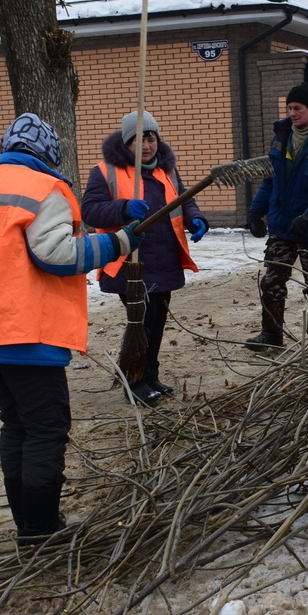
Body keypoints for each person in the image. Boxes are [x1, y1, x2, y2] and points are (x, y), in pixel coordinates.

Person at [0, 112, 143, 542]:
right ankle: (41, 530)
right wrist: (119, 241)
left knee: (16, 424)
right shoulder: (45, 188)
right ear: (49, 154)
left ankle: (27, 523)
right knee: (45, 429)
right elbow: (55, 254)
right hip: (25, 334)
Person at [81, 111, 208, 404]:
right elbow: (90, 210)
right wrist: (123, 208)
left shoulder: (167, 170)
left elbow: (183, 200)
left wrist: (196, 218)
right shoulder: (105, 171)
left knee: (158, 317)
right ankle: (135, 379)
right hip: (129, 262)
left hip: (164, 258)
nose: (146, 145)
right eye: (138, 139)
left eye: (150, 138)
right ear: (126, 143)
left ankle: (151, 375)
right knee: (143, 319)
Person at [245, 82, 308, 350]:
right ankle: (271, 336)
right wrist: (257, 210)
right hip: (282, 226)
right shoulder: (280, 138)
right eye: (290, 108)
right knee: (272, 281)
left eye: (298, 108)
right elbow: (271, 180)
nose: (292, 113)